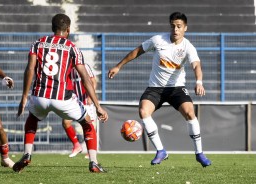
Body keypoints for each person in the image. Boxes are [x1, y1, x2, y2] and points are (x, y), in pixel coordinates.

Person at [108, 12, 211, 167]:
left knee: (190, 113)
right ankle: (161, 151)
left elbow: (196, 65)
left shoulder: (188, 46)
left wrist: (199, 82)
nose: (175, 29)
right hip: (155, 88)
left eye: (179, 26)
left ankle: (199, 153)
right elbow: (137, 51)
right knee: (143, 111)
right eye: (173, 26)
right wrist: (118, 66)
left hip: (176, 88)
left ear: (185, 28)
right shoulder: (158, 40)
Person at [13, 13, 108, 173]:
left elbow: (29, 69)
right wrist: (98, 105)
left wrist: (24, 97)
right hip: (62, 97)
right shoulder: (72, 48)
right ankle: (93, 162)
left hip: (39, 95)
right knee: (87, 123)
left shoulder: (38, 43)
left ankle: (27, 153)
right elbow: (85, 77)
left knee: (32, 119)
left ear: (52, 28)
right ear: (68, 29)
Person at [63, 63, 97, 159]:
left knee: (90, 126)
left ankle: (91, 151)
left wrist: (90, 96)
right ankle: (77, 145)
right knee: (66, 122)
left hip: (86, 101)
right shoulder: (66, 67)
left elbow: (93, 81)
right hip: (74, 101)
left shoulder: (84, 66)